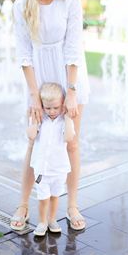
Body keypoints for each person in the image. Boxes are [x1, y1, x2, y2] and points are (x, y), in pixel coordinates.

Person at [11, 0, 90, 231]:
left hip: (68, 76)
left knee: (71, 142)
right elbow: (23, 54)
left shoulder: (69, 2)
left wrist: (71, 90)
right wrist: (34, 96)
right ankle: (23, 204)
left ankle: (71, 205)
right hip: (38, 80)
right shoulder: (20, 5)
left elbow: (73, 49)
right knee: (35, 142)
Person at [28, 83, 75, 236]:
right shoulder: (40, 119)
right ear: (42, 106)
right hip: (42, 169)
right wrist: (34, 120)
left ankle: (52, 219)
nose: (52, 111)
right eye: (48, 108)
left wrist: (68, 117)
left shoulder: (64, 121)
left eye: (56, 107)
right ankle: (42, 222)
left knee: (55, 196)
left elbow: (68, 138)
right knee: (43, 197)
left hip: (59, 168)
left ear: (62, 105)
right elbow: (31, 136)